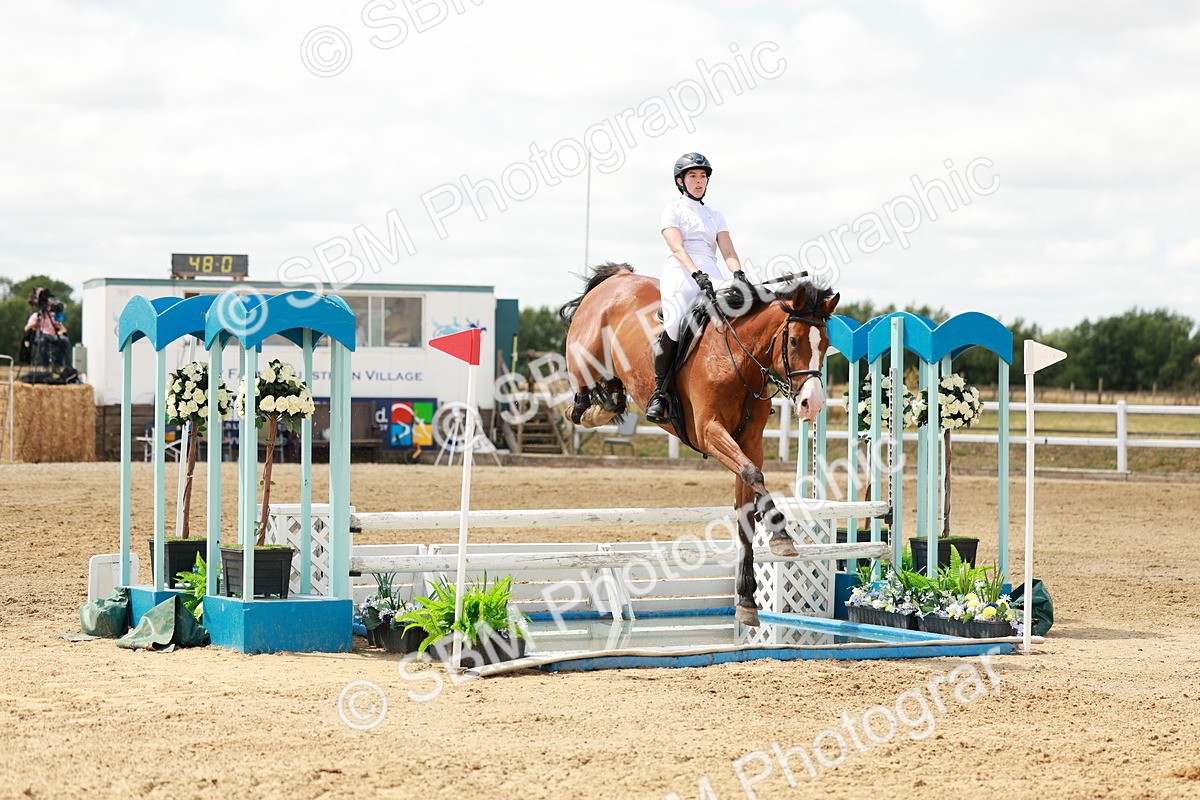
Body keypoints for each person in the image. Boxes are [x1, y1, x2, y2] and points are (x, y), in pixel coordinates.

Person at [645, 152, 749, 424]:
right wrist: (696, 273)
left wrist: (737, 272)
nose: (699, 181)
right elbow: (677, 247)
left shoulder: (715, 215)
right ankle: (660, 393)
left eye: (702, 176)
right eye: (693, 176)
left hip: (712, 272)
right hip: (680, 272)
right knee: (676, 323)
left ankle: (748, 388)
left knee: (743, 315)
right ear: (681, 181)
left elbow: (727, 249)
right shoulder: (673, 210)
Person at [25, 295, 70, 369]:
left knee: (64, 340)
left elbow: (63, 329)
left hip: (53, 337)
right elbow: (26, 328)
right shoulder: (36, 315)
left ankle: (57, 365)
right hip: (40, 337)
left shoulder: (53, 316)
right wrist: (36, 322)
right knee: (43, 341)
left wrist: (60, 332)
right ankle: (45, 367)